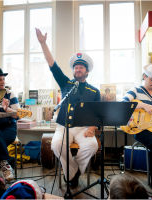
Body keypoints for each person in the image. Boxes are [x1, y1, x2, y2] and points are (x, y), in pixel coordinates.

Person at [36, 28, 100, 187]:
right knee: (56, 145)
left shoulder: (95, 91)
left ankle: (72, 170)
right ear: (73, 71)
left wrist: (92, 127)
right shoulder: (66, 83)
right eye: (76, 67)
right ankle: (73, 172)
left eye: (81, 67)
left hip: (83, 127)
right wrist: (43, 44)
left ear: (87, 71)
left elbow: (98, 114)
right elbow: (53, 65)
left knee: (92, 145)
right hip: (63, 126)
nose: (78, 69)